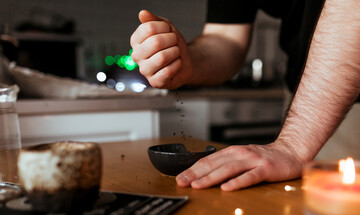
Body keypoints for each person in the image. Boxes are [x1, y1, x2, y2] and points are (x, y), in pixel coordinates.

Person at [130, 0, 360, 191]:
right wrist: (190, 59)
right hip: (306, 104)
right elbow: (226, 36)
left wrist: (293, 145)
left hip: (341, 103)